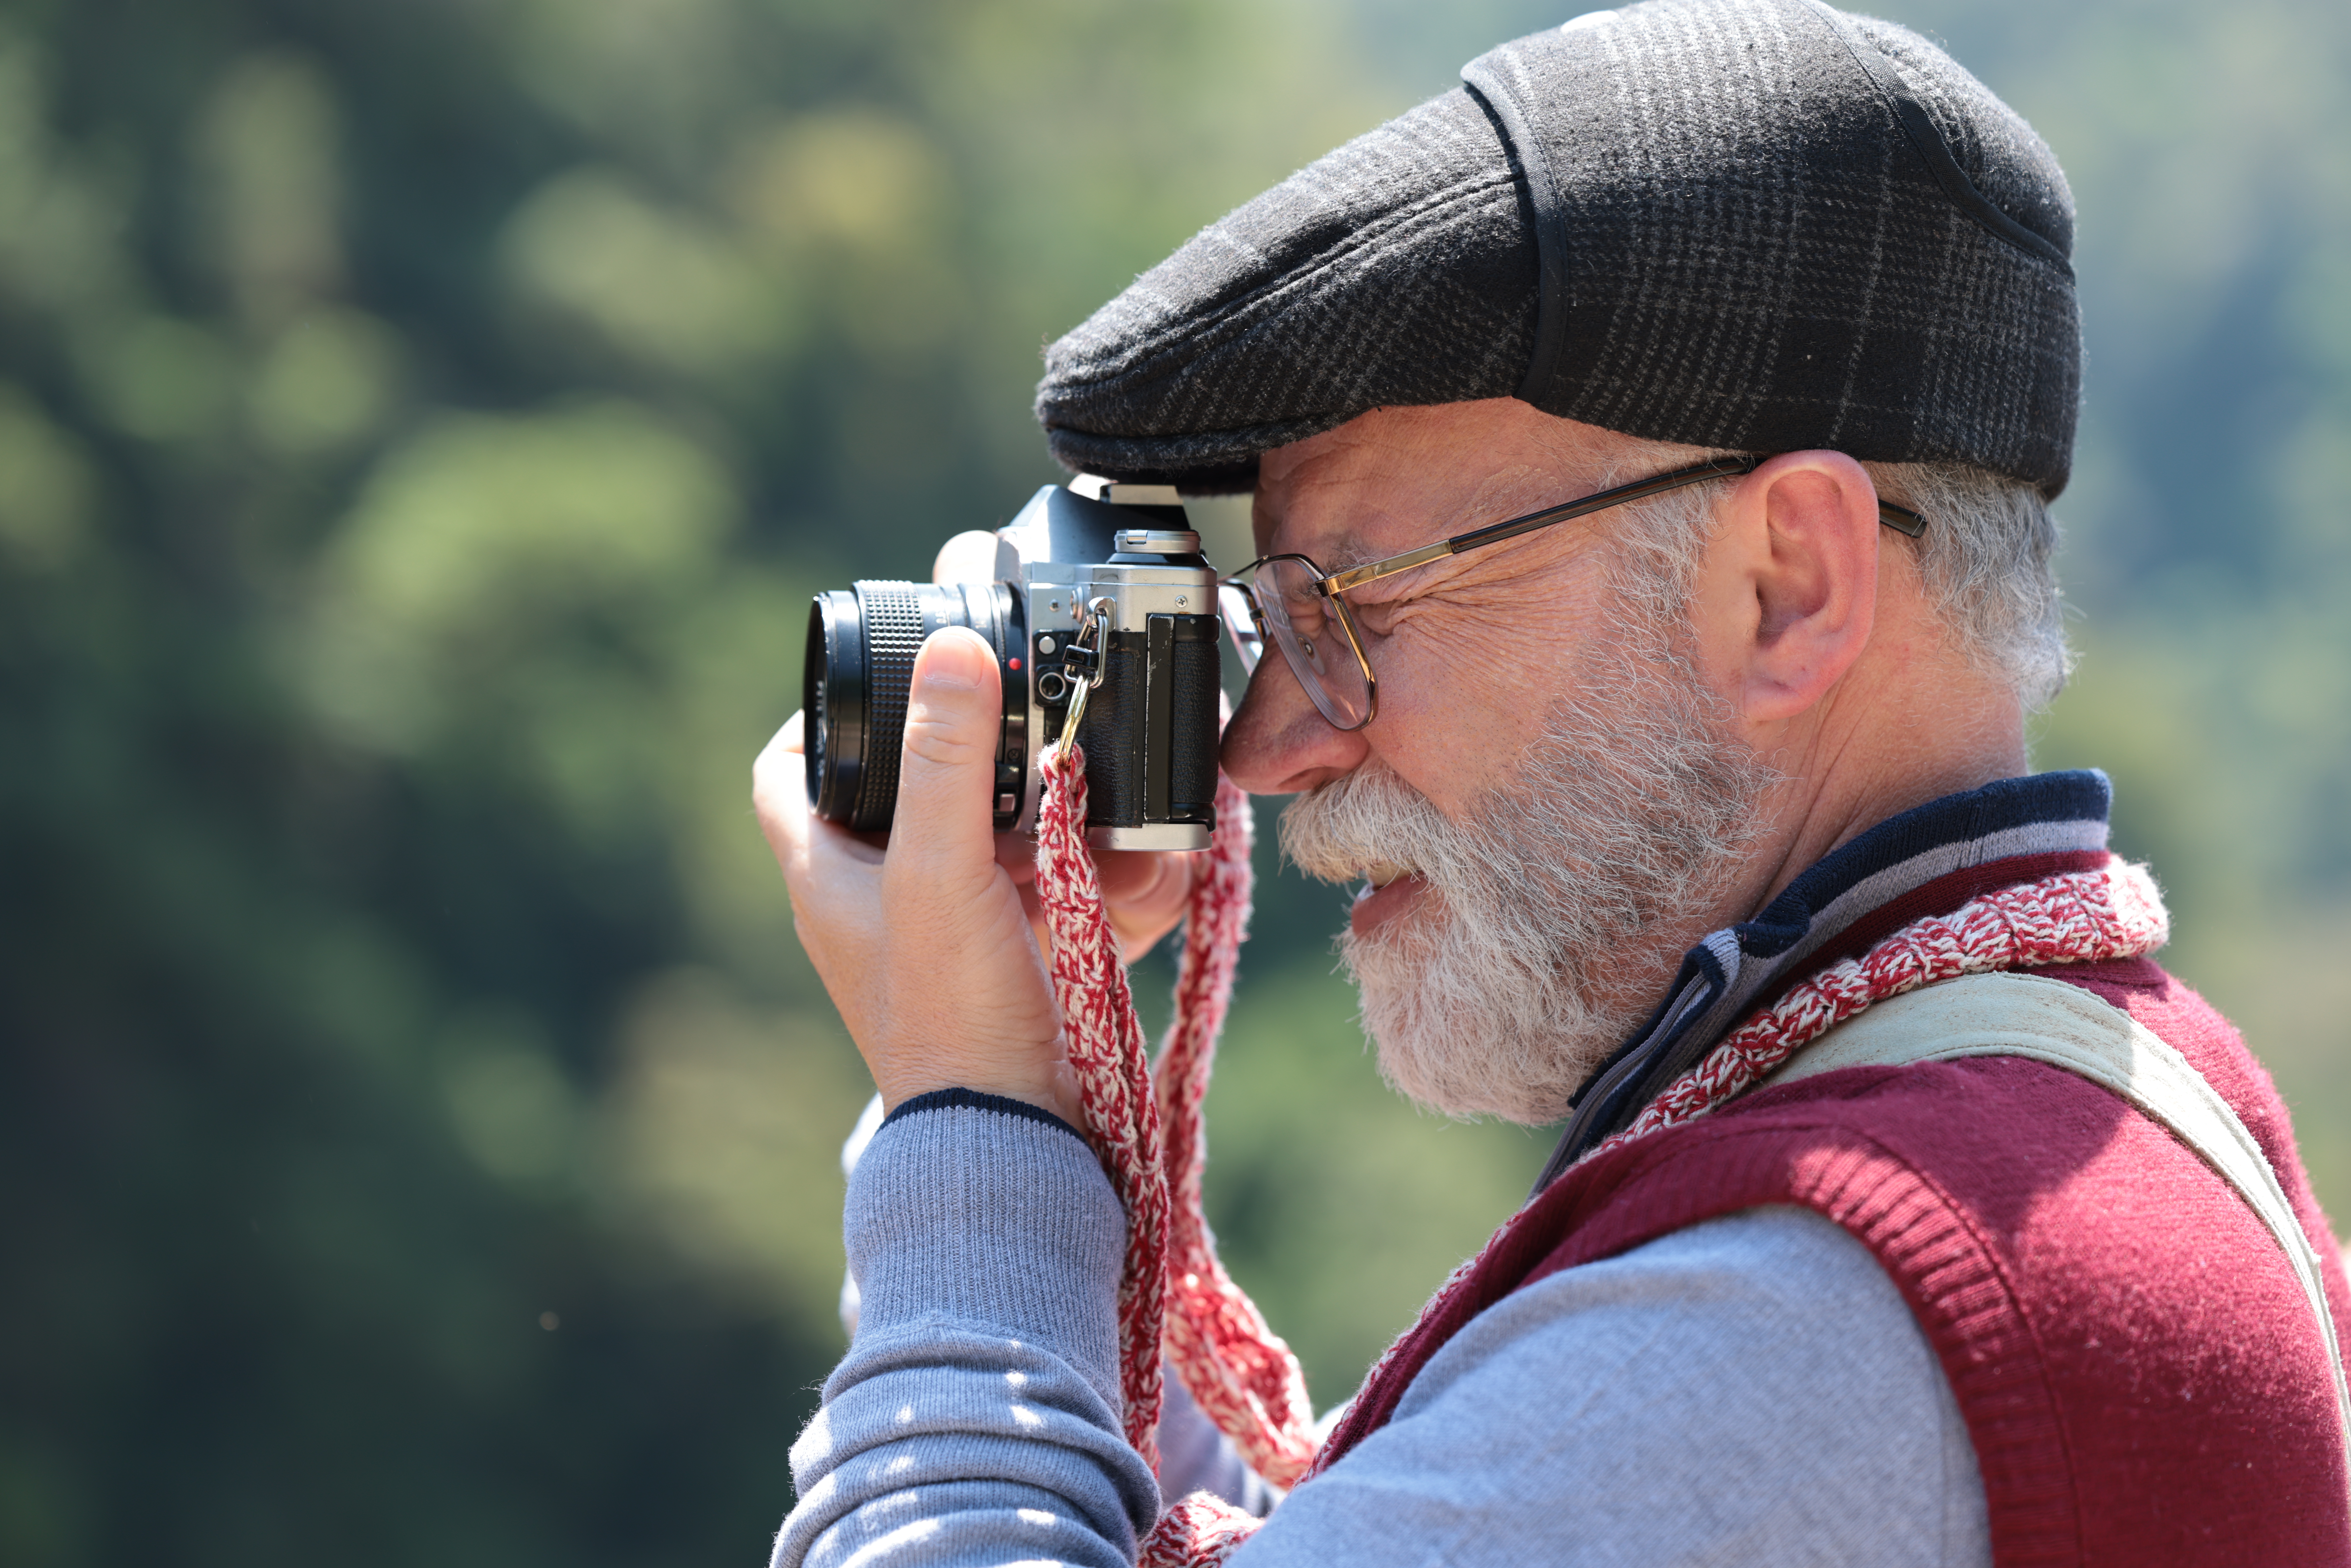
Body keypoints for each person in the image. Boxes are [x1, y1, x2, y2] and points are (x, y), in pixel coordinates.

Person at [756, 1, 2351, 1563]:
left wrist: (968, 1122)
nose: (1269, 749)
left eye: (1360, 603)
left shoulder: (1821, 1310)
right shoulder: (2074, 1123)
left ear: (1786, 583)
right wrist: (1024, 1038)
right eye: (1277, 621)